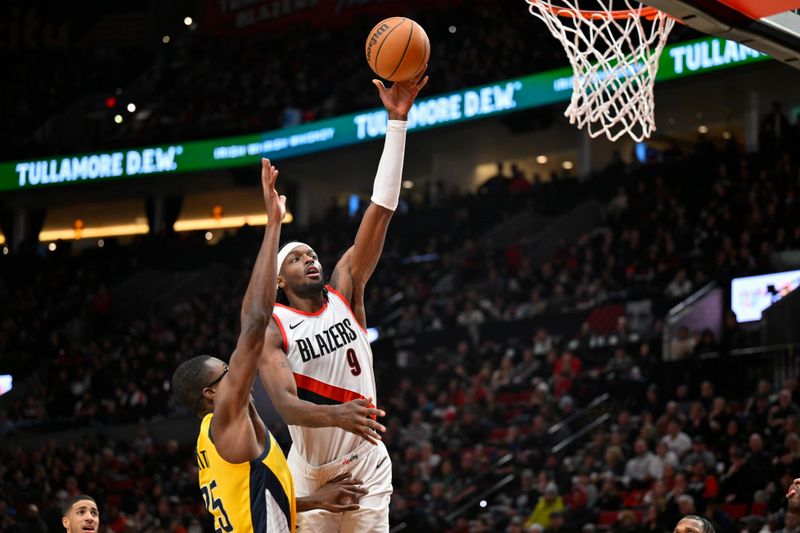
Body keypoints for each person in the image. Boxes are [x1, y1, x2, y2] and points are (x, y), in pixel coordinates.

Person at [259, 70, 428, 533]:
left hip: (368, 464)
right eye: (296, 257)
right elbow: (287, 407)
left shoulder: (346, 288)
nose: (310, 260)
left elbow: (381, 209)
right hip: (312, 472)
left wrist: (397, 124)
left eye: (312, 253)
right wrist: (340, 414)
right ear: (278, 278)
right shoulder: (273, 326)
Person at [172, 160, 369, 532]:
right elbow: (255, 321)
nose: (237, 372)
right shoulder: (226, 418)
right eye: (226, 372)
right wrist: (274, 223)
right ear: (211, 393)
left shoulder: (212, 440)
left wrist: (314, 501)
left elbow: (251, 501)